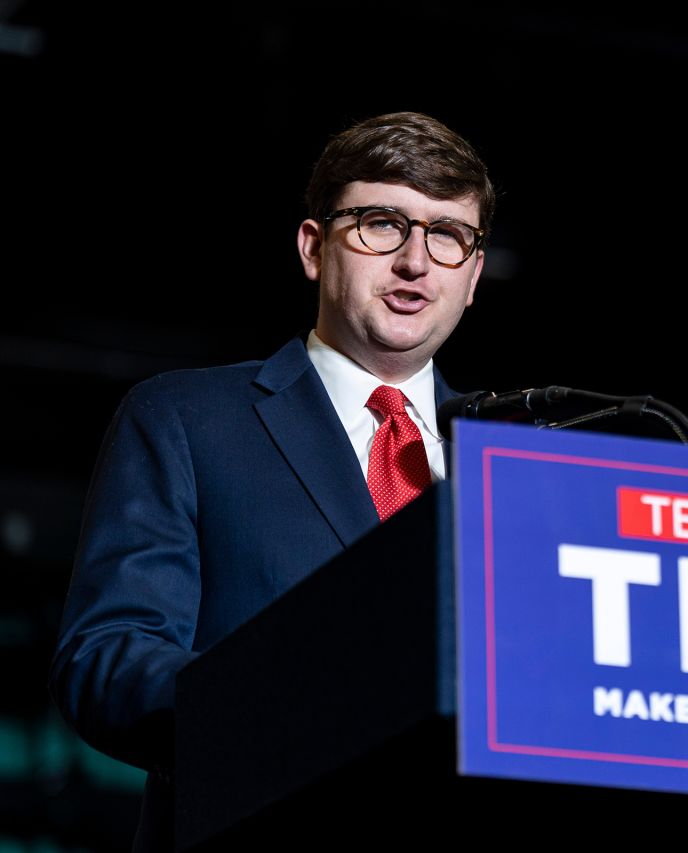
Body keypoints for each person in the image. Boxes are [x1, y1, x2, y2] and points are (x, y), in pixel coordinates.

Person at [48, 111, 494, 852]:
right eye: (382, 224)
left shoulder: (513, 467)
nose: (417, 261)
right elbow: (109, 656)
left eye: (447, 234)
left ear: (473, 275)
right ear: (314, 248)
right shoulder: (186, 419)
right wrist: (289, 703)